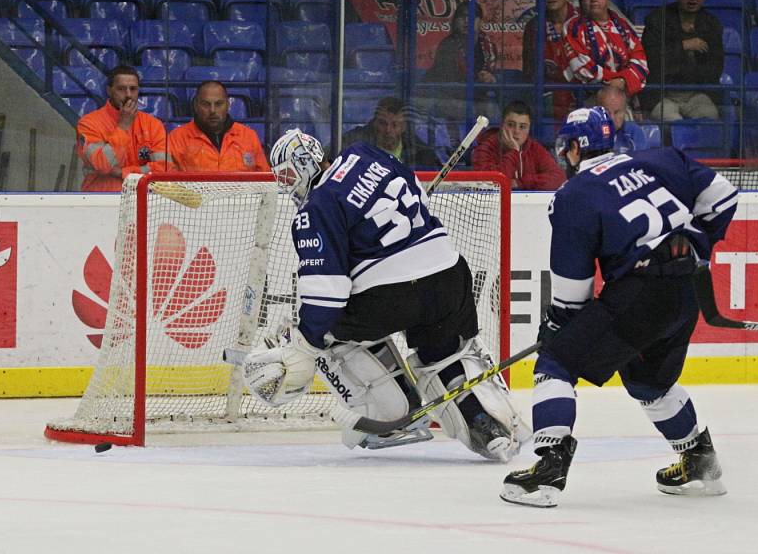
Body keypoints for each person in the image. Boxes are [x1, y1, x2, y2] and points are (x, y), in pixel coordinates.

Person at [240, 129, 531, 461]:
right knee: (444, 354)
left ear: (306, 164)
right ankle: (490, 424)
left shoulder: (316, 207)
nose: (287, 183)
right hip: (449, 276)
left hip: (390, 296)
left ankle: (391, 416)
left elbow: (327, 295)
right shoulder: (365, 153)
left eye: (288, 174)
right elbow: (416, 192)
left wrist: (305, 345)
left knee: (323, 334)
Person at [500, 106, 737, 507]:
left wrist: (557, 327)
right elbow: (724, 195)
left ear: (574, 148)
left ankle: (548, 469)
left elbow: (573, 291)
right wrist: (694, 244)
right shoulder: (661, 158)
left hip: (639, 295)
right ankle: (699, 461)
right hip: (687, 292)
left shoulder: (573, 195)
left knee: (556, 364)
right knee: (649, 382)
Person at [641, 0, 723, 123]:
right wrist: (684, 46)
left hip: (697, 94)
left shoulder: (711, 24)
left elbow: (715, 67)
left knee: (709, 119)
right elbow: (651, 60)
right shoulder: (657, 19)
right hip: (662, 94)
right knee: (672, 122)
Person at [76, 65, 169, 192]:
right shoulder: (89, 124)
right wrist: (123, 126)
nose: (128, 94)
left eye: (133, 89)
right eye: (121, 89)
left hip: (141, 198)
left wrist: (123, 173)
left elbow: (164, 168)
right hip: (100, 199)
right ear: (109, 91)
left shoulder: (153, 125)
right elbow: (103, 165)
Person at [563, 0, 648, 101]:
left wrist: (623, 81)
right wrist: (615, 82)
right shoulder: (573, 27)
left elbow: (639, 58)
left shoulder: (623, 26)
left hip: (624, 94)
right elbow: (581, 65)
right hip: (590, 96)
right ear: (581, 2)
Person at [168, 80, 270, 171]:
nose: (212, 110)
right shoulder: (177, 138)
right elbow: (167, 185)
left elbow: (264, 181)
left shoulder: (248, 136)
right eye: (205, 104)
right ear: (195, 105)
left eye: (218, 104)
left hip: (242, 193)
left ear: (228, 105)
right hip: (193, 193)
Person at [472, 100, 565, 190]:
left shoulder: (534, 148)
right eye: (511, 125)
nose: (516, 131)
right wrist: (513, 152)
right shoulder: (485, 148)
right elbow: (490, 182)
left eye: (522, 127)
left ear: (529, 129)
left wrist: (519, 183)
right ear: (502, 125)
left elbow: (559, 178)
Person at [522, 0, 577, 120]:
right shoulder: (534, 25)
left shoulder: (581, 23)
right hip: (545, 94)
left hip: (578, 93)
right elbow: (529, 68)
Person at [341, 97, 438, 168]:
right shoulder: (354, 142)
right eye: (382, 123)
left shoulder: (419, 151)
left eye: (395, 125)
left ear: (403, 127)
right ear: (374, 122)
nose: (388, 130)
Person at [423, 0, 497, 85]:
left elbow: (490, 74)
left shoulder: (489, 46)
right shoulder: (447, 45)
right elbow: (446, 81)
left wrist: (489, 78)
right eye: (462, 16)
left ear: (481, 22)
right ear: (455, 21)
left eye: (472, 16)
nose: (467, 20)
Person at [596, 85, 649, 154]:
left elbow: (641, 162)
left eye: (616, 112)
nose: (611, 118)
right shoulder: (588, 132)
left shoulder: (634, 132)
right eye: (607, 112)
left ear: (625, 112)